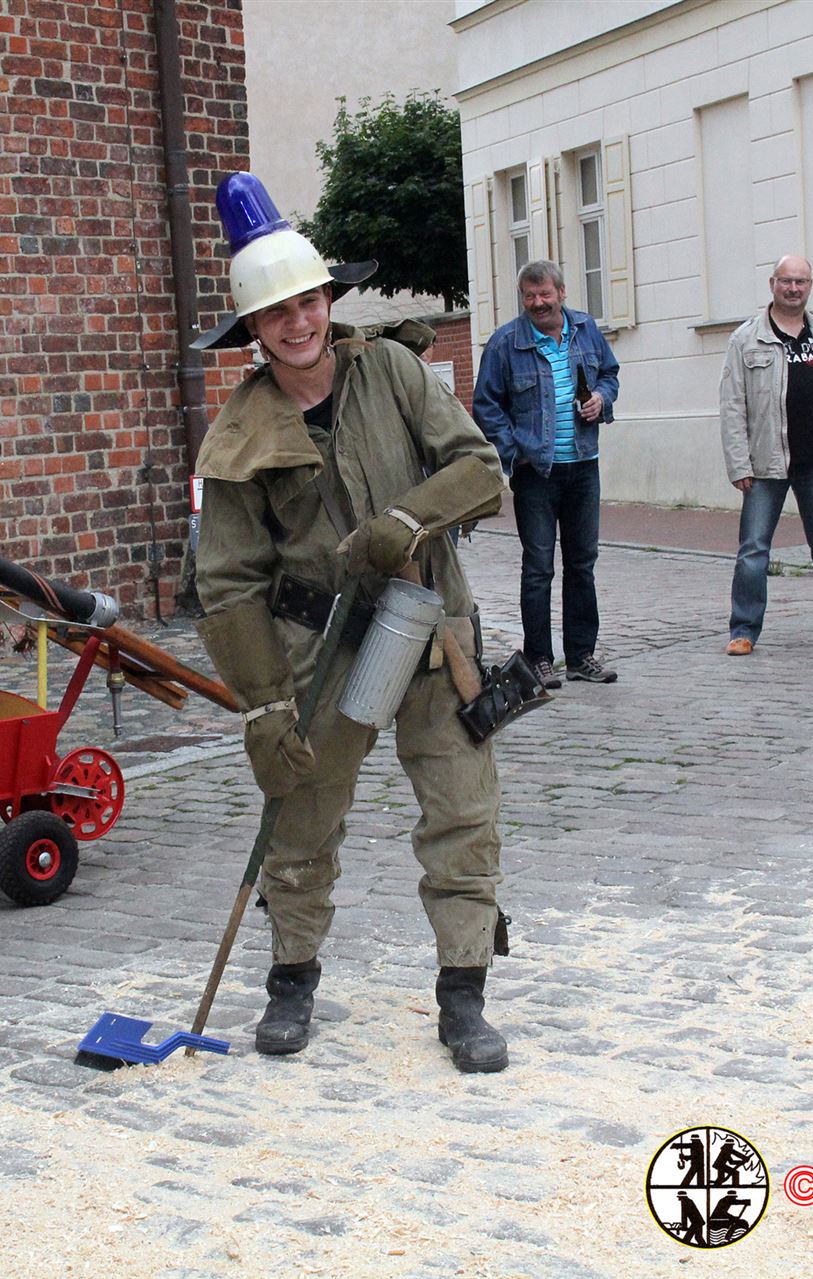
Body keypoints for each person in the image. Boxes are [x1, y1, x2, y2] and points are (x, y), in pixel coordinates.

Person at [189, 173, 513, 1074]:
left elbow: (480, 468)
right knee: (300, 820)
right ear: (251, 332)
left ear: (330, 297)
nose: (298, 323)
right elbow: (226, 582)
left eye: (309, 300)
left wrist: (408, 521)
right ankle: (291, 980)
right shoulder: (237, 437)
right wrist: (262, 708)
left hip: (432, 633)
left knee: (462, 812)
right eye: (275, 313)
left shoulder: (396, 371)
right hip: (316, 649)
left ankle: (463, 992)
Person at [472, 260, 621, 688]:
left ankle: (581, 656)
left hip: (583, 464)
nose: (538, 303)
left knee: (582, 564)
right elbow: (486, 405)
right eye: (529, 296)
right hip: (536, 472)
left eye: (545, 294)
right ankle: (539, 656)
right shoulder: (505, 343)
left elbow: (610, 375)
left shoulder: (586, 330)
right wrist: (514, 451)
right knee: (538, 567)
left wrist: (601, 400)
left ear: (562, 292)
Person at [718, 255, 813, 655]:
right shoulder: (746, 339)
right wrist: (739, 463)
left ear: (810, 286)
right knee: (753, 549)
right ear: (772, 284)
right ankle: (743, 630)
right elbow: (732, 406)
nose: (794, 288)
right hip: (765, 461)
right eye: (787, 281)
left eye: (801, 281)